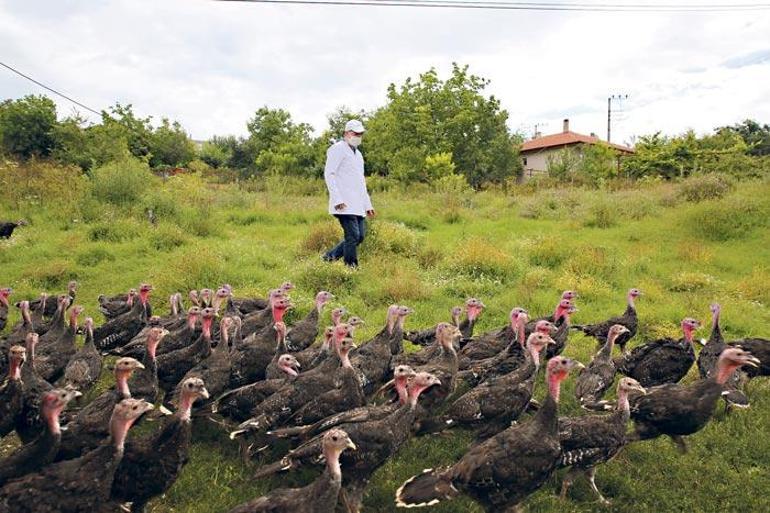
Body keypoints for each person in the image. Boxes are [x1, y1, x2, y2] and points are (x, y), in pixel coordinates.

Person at [322, 119, 375, 268]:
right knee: (352, 236)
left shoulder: (358, 155)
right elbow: (329, 174)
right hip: (343, 203)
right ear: (346, 133)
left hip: (357, 204)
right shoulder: (337, 149)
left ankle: (328, 258)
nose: (358, 136)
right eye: (355, 133)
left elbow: (361, 182)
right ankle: (351, 268)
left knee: (360, 237)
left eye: (360, 134)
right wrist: (337, 199)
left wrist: (368, 205)